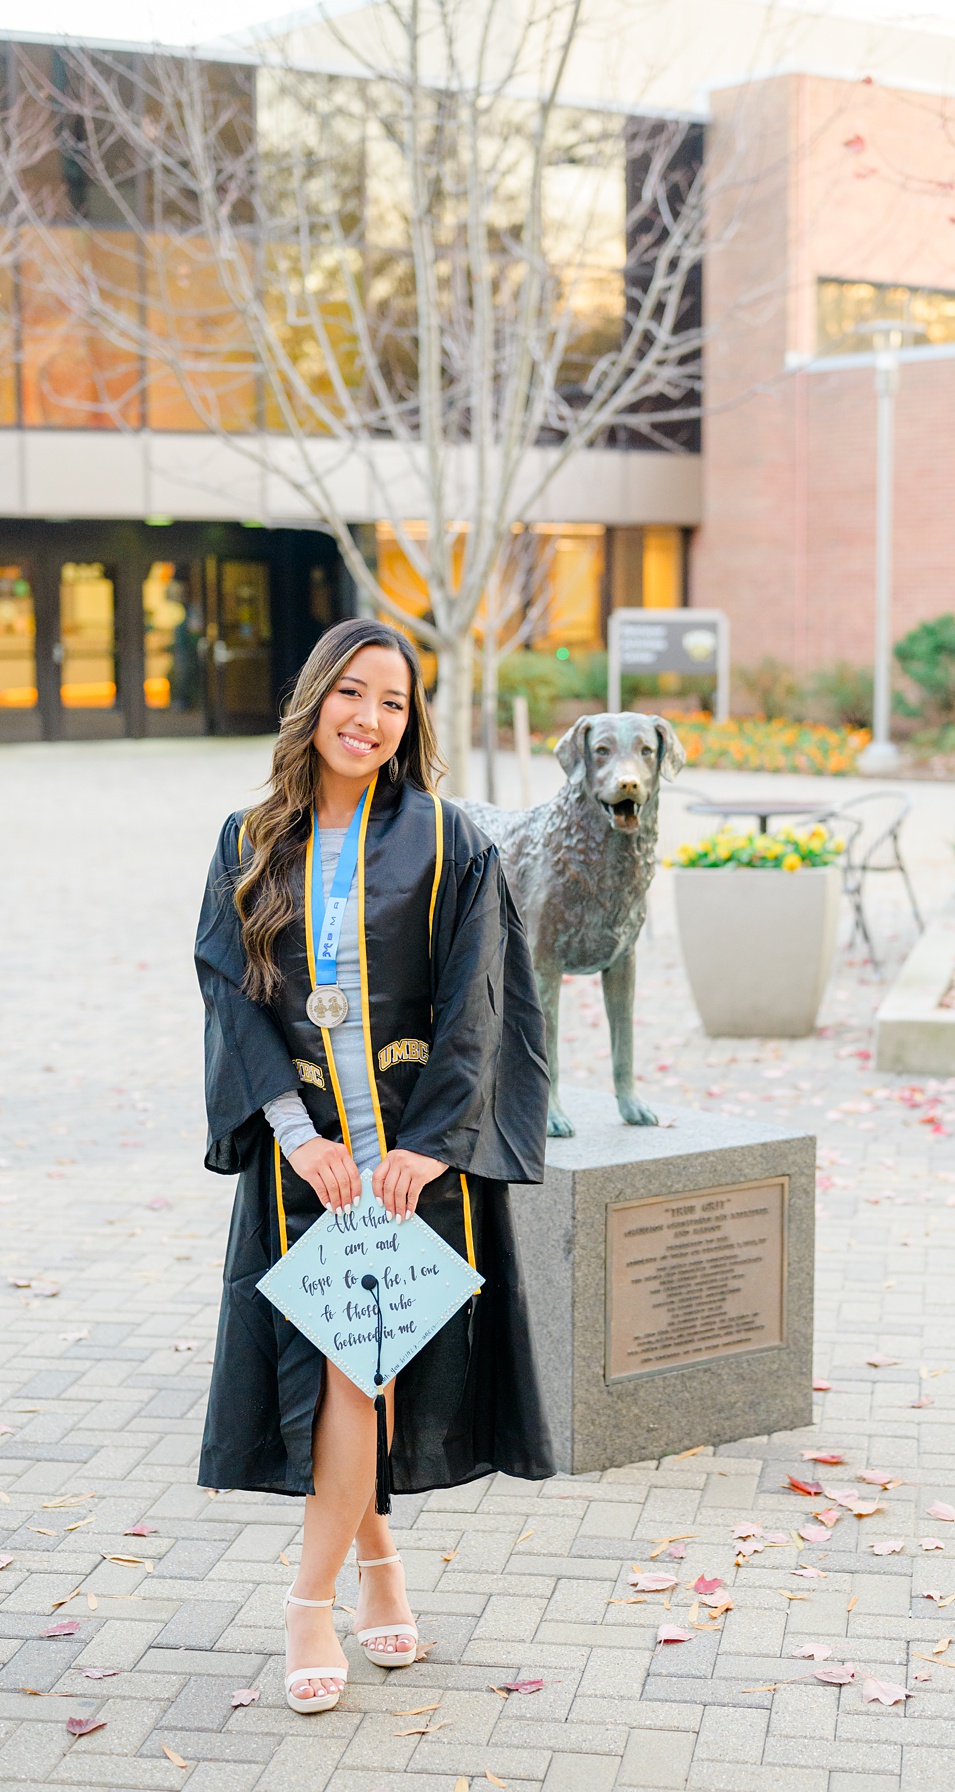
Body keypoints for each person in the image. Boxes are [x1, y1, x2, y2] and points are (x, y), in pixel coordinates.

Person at [193, 617, 553, 1715]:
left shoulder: (451, 840)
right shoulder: (250, 838)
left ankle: (326, 1592)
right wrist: (295, 1137)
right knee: (357, 1367)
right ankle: (356, 1579)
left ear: (411, 721)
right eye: (353, 693)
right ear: (316, 701)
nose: (370, 718)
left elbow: (477, 1005)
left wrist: (430, 1145)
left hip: (405, 1162)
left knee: (367, 1366)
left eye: (393, 702)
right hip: (310, 1168)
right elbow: (230, 989)